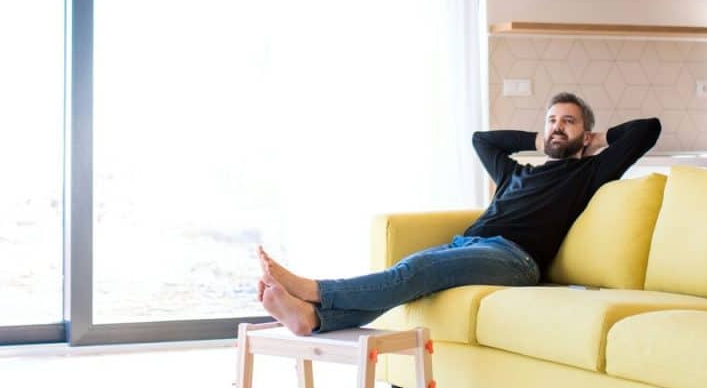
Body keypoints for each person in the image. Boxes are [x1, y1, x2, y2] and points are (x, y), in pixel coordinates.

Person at [257, 92, 661, 335]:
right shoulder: (515, 174)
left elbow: (647, 128)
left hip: (515, 258)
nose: (558, 127)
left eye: (568, 122)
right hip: (470, 245)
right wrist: (539, 139)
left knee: (416, 268)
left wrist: (597, 140)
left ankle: (314, 289)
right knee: (414, 280)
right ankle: (313, 319)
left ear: (584, 133)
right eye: (552, 120)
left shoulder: (588, 173)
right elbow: (482, 140)